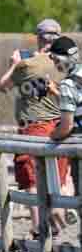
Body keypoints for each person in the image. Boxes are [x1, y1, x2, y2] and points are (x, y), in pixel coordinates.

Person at [0, 18, 68, 236]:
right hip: (60, 124)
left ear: (39, 38)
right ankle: (61, 214)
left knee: (31, 177)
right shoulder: (65, 64)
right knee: (59, 176)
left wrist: (13, 64)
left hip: (33, 127)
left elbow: (3, 86)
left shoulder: (28, 64)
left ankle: (40, 226)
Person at [49, 36, 82, 193]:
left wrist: (52, 136)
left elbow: (66, 126)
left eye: (56, 60)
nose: (56, 65)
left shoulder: (68, 84)